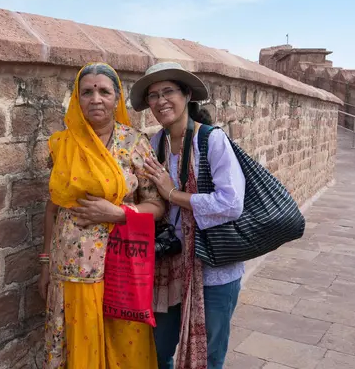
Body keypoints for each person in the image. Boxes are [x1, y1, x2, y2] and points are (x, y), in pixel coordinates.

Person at [39, 62, 166, 369]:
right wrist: (44, 262)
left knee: (124, 348)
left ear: (116, 98)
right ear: (77, 99)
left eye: (104, 91)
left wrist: (119, 213)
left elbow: (157, 206)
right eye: (87, 92)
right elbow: (53, 207)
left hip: (121, 268)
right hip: (70, 269)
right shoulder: (61, 145)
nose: (95, 99)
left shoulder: (134, 143)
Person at [130, 62, 246, 369]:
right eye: (153, 95)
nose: (161, 100)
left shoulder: (211, 140)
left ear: (187, 95)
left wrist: (172, 194)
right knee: (157, 349)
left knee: (208, 355)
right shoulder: (154, 144)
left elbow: (231, 202)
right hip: (169, 265)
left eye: (168, 91)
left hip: (212, 266)